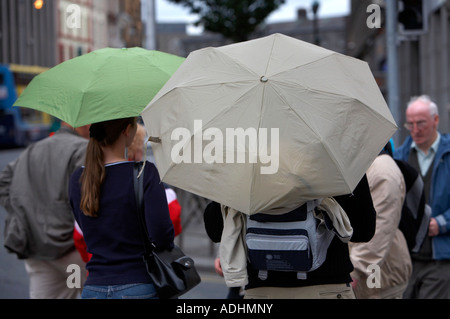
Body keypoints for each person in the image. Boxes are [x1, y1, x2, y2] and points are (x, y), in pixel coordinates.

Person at [205, 176, 376, 299]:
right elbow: (364, 230)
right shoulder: (333, 155)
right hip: (327, 288)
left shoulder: (246, 160)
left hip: (262, 290)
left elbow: (215, 230)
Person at [69, 117, 174, 299]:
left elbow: (85, 228)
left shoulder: (79, 177)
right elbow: (161, 235)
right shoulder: (144, 172)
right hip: (139, 282)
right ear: (127, 130)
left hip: (93, 287)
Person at [0, 122, 90, 299]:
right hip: (72, 252)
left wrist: (22, 211)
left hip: (38, 252)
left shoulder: (33, 149)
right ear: (84, 123)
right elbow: (87, 198)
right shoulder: (84, 148)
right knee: (92, 292)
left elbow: (4, 182)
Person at [394, 95, 450, 299]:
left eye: (421, 123)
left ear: (436, 120)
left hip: (441, 258)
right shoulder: (398, 158)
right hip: (405, 260)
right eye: (410, 124)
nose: (415, 130)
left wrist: (442, 223)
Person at [350, 147, 412, 299]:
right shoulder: (360, 162)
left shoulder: (382, 170)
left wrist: (354, 271)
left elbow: (379, 230)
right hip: (367, 271)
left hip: (379, 276)